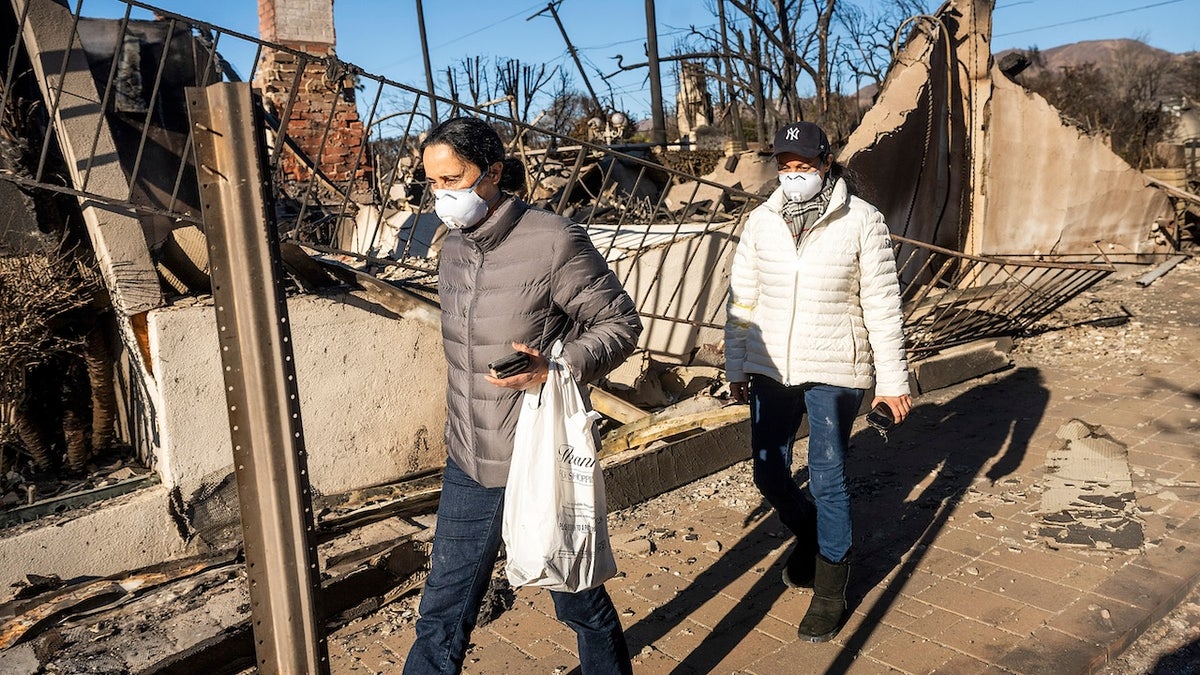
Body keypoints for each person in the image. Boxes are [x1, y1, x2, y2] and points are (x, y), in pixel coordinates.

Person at [404, 116, 641, 675]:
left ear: (492, 173)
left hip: (534, 458)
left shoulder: (554, 239)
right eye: (433, 182)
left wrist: (554, 367)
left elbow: (619, 323)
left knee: (577, 601)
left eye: (453, 179)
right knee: (442, 610)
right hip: (468, 456)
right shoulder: (453, 248)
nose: (442, 194)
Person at [724, 121, 912, 643]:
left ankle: (832, 586)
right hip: (771, 368)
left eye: (803, 166)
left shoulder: (862, 221)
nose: (793, 175)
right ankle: (809, 533)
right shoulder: (761, 222)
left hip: (836, 367)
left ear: (826, 163)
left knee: (828, 476)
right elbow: (742, 301)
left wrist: (893, 381)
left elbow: (883, 307)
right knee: (769, 475)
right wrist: (736, 365)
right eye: (784, 167)